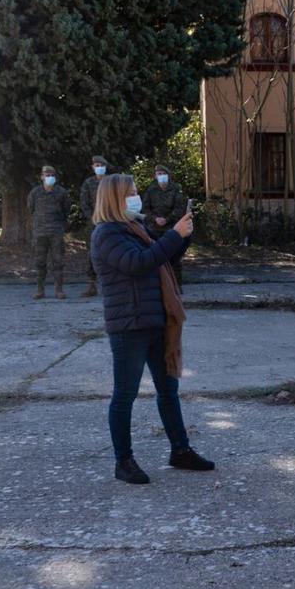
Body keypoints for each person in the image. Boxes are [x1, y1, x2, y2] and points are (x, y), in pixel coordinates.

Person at [89, 174, 213, 485]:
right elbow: (139, 263)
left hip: (155, 321)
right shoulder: (106, 234)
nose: (136, 197)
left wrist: (182, 237)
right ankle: (124, 461)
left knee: (168, 390)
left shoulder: (134, 228)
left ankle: (180, 451)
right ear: (115, 199)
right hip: (129, 326)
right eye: (130, 193)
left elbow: (162, 260)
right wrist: (173, 234)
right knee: (125, 395)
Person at [28, 165, 71, 300]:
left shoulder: (62, 192)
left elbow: (67, 210)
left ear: (55, 177)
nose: (49, 177)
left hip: (56, 232)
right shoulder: (35, 193)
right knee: (40, 262)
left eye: (52, 175)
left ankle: (59, 290)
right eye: (46, 175)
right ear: (41, 177)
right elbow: (31, 209)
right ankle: (40, 290)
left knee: (58, 262)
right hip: (40, 233)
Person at [141, 165, 189, 287]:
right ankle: (159, 285)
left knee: (175, 256)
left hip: (171, 227)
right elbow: (145, 208)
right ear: (155, 176)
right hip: (154, 228)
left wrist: (167, 219)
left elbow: (180, 208)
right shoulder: (151, 190)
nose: (161, 176)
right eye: (158, 173)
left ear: (168, 175)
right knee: (156, 256)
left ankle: (177, 285)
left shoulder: (176, 189)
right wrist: (155, 218)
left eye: (163, 173)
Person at [79, 155, 110, 297]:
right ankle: (91, 285)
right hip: (94, 223)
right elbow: (84, 202)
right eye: (96, 165)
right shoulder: (88, 183)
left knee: (111, 252)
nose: (99, 167)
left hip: (110, 222)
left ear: (106, 166)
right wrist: (92, 217)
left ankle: (111, 285)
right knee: (92, 253)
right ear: (93, 167)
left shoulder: (111, 182)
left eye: (101, 165)